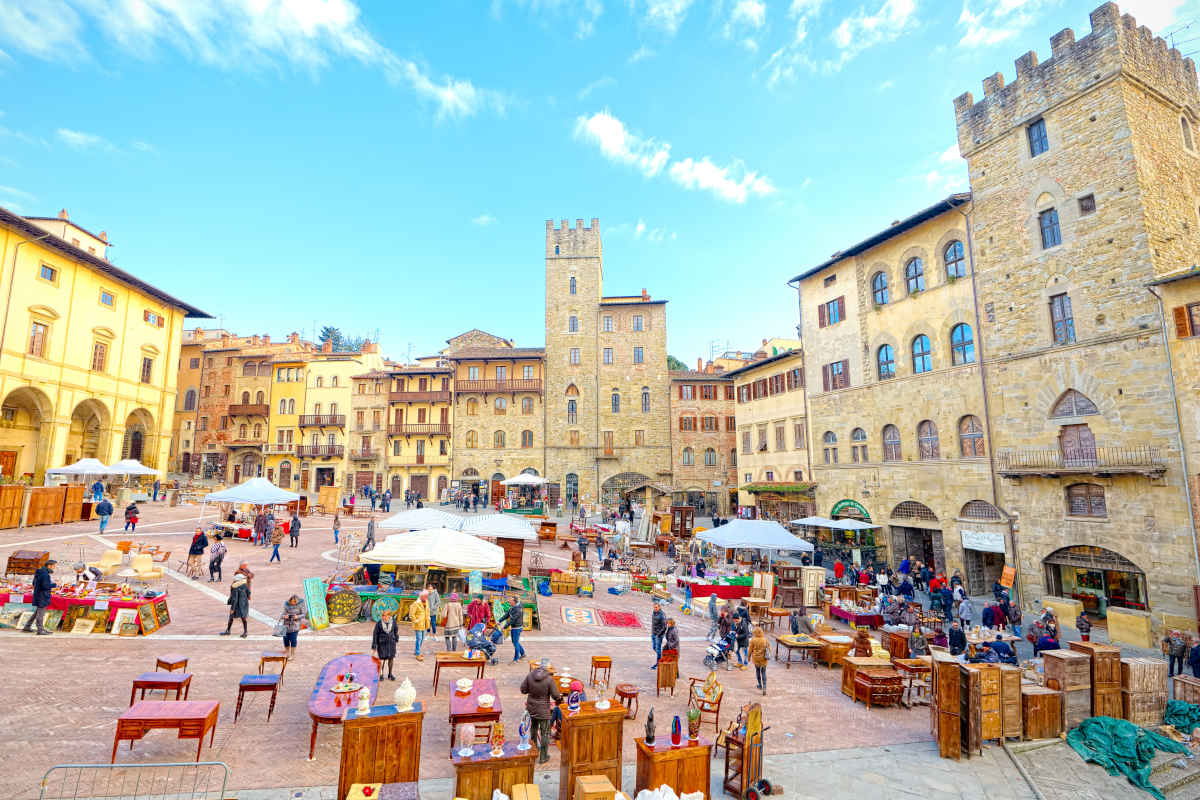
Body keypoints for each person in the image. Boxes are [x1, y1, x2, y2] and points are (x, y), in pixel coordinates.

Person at [521, 664, 561, 765]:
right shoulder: (549, 679)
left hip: (531, 708)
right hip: (543, 710)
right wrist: (559, 699)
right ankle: (543, 756)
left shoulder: (530, 676)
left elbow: (523, 690)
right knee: (545, 733)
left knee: (533, 730)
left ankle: (534, 752)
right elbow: (555, 695)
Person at [24, 559, 56, 634]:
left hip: (38, 594)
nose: (54, 567)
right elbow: (45, 586)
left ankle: (27, 626)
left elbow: (34, 583)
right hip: (42, 596)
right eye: (54, 566)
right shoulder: (45, 574)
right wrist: (54, 585)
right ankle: (40, 629)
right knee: (41, 613)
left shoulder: (39, 572)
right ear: (49, 566)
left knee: (37, 612)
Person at [372, 609, 399, 680]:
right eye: (383, 615)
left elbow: (396, 630)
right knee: (381, 659)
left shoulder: (393, 622)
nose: (383, 617)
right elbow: (375, 634)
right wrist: (374, 644)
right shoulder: (379, 623)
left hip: (391, 643)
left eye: (385, 615)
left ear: (389, 616)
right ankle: (381, 674)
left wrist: (396, 638)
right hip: (382, 643)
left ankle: (390, 674)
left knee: (391, 658)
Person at [280, 594, 306, 660]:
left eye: (295, 603)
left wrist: (297, 617)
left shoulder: (301, 604)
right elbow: (282, 615)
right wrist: (285, 616)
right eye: (292, 602)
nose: (293, 604)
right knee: (285, 640)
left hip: (295, 625)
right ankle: (287, 653)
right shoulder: (286, 604)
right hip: (285, 625)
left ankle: (292, 655)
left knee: (293, 640)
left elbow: (303, 614)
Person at [409, 590, 431, 662]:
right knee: (419, 638)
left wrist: (428, 617)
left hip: (425, 623)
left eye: (427, 596)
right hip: (418, 623)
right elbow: (411, 614)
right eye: (425, 596)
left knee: (422, 638)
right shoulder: (416, 603)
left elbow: (427, 611)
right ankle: (418, 653)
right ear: (421, 596)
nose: (426, 597)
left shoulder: (427, 602)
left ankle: (416, 651)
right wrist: (416, 620)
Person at [748, 625, 769, 695]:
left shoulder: (753, 640)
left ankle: (760, 685)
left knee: (757, 671)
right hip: (763, 659)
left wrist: (748, 657)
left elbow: (750, 650)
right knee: (763, 672)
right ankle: (765, 688)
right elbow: (769, 649)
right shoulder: (765, 639)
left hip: (756, 658)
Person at [506, 595, 526, 662]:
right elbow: (507, 615)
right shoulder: (513, 607)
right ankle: (522, 653)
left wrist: (506, 626)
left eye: (510, 600)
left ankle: (516, 658)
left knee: (515, 643)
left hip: (517, 628)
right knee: (515, 642)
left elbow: (513, 619)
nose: (509, 601)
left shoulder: (518, 609)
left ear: (514, 601)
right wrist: (499, 621)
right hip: (514, 627)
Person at [650, 601, 666, 668]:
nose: (655, 608)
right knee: (654, 647)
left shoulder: (662, 615)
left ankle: (658, 664)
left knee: (658, 649)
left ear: (659, 607)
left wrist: (659, 634)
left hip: (658, 635)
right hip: (653, 633)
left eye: (656, 607)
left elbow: (664, 626)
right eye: (654, 607)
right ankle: (662, 657)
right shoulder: (654, 612)